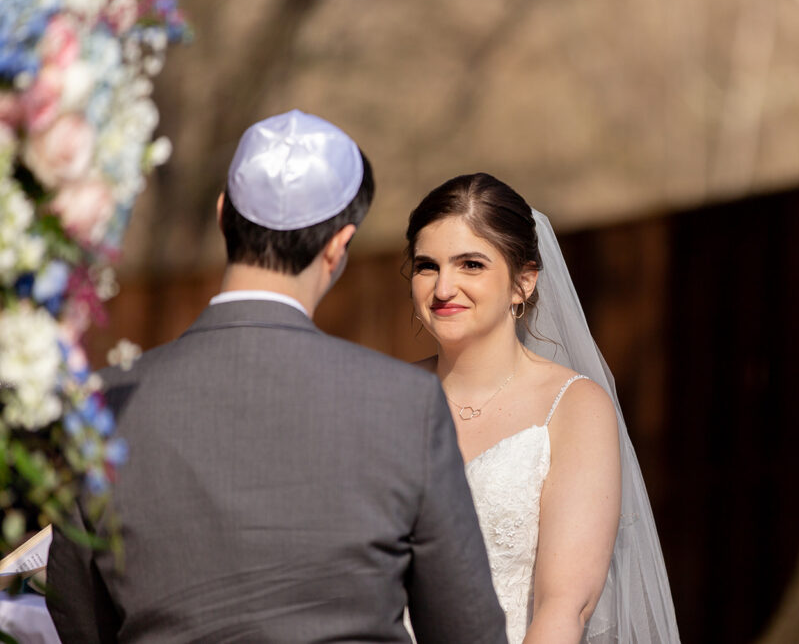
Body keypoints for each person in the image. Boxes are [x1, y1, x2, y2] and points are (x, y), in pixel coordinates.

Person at [45, 111, 506, 643]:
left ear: (223, 216)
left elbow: (78, 617)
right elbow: (466, 630)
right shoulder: (404, 403)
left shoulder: (105, 404)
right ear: (340, 244)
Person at [405, 173, 680, 644]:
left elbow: (565, 606)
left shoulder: (574, 408)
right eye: (427, 266)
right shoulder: (385, 397)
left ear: (524, 282)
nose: (443, 287)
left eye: (470, 264)